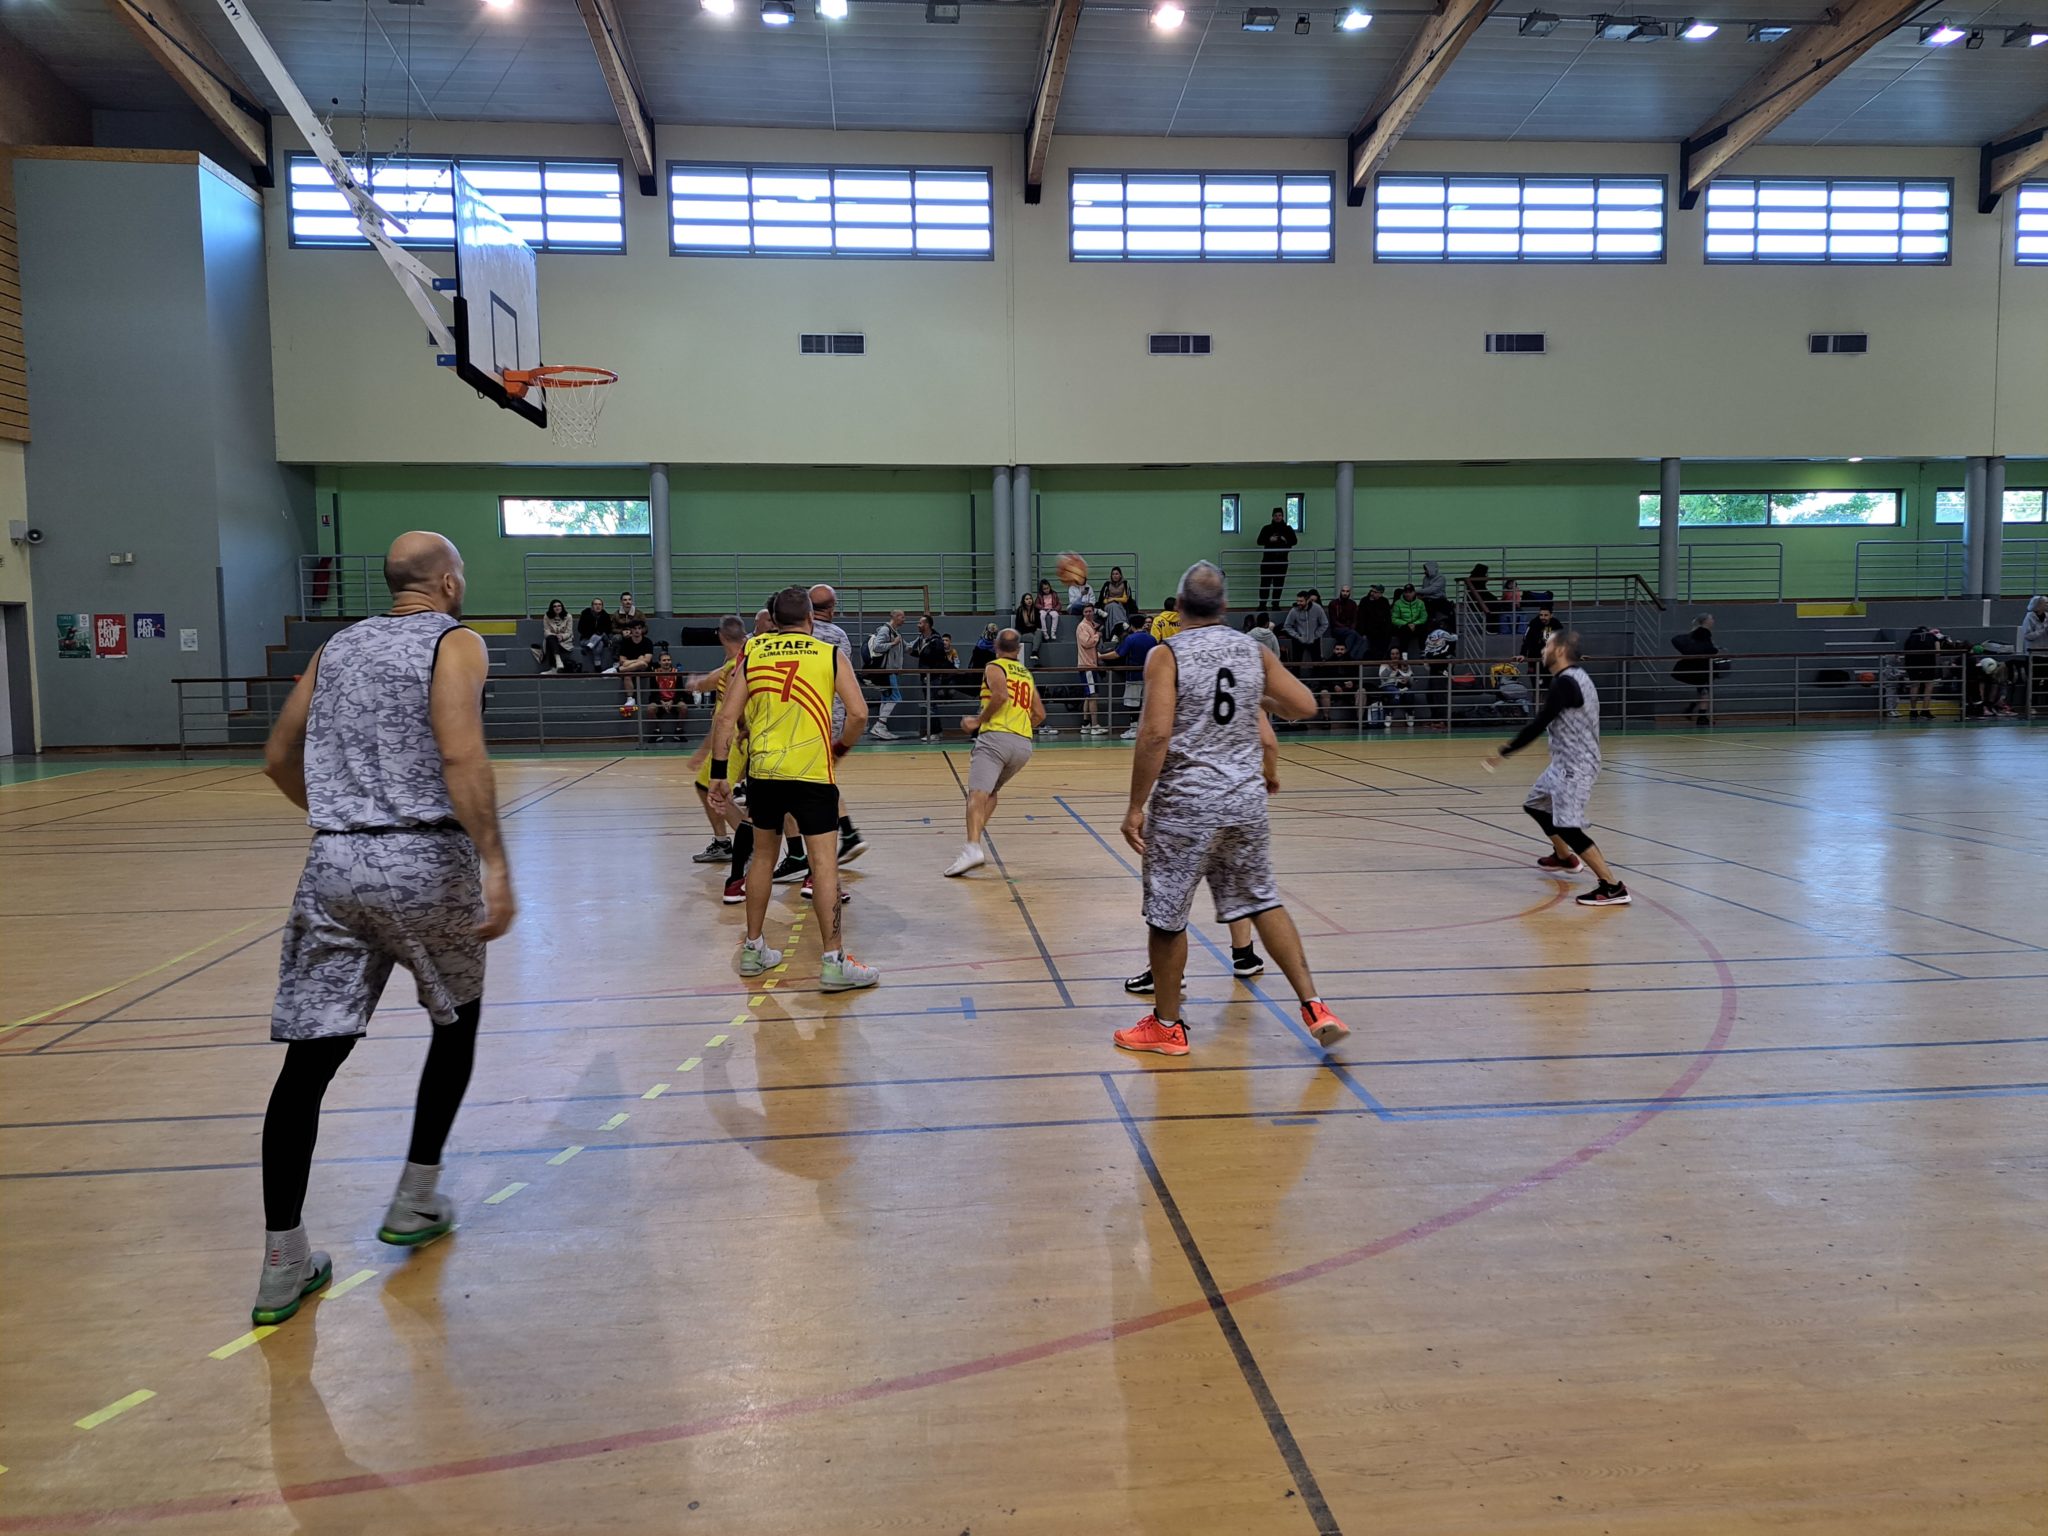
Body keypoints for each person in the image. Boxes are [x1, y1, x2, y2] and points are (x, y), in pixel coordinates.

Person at [251, 531, 515, 1325]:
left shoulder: (335, 647)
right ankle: (415, 1196)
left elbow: (276, 756)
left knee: (308, 1065)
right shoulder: (455, 641)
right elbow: (461, 755)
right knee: (457, 1025)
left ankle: (282, 1261)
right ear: (447, 583)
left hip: (334, 865)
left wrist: (343, 820)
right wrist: (496, 863)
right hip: (426, 860)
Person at [1114, 560, 1348, 1057]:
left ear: (1178, 607)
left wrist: (1135, 805)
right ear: (1224, 606)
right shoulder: (1253, 650)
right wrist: (1254, 698)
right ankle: (1315, 1006)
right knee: (1262, 899)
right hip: (1245, 801)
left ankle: (1167, 1026)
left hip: (1187, 805)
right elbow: (1305, 705)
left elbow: (1154, 734)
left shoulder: (1167, 654)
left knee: (1167, 916)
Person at [706, 586, 878, 992]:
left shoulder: (754, 654)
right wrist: (840, 749)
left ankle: (753, 949)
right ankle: (833, 962)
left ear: (774, 620)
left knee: (763, 859)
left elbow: (726, 718)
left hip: (764, 773)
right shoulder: (828, 654)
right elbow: (859, 713)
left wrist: (719, 774)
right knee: (824, 865)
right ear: (811, 619)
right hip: (813, 773)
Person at [1485, 631, 1629, 908]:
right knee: (1536, 805)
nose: (1543, 649)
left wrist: (1506, 750)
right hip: (1563, 763)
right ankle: (1564, 857)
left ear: (1560, 650)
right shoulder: (1575, 677)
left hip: (1576, 766)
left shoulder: (1565, 683)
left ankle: (1612, 886)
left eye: (1547, 645)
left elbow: (1539, 724)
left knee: (1569, 827)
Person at [771, 585, 870, 893]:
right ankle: (841, 837)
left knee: (797, 789)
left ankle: (810, 862)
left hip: (798, 718)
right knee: (819, 783)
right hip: (833, 715)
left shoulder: (777, 642)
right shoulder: (839, 637)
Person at [945, 629, 1045, 876]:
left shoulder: (994, 666)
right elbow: (1040, 714)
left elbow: (1000, 696)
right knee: (991, 792)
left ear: (995, 647)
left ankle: (972, 848)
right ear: (1019, 649)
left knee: (977, 794)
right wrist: (1019, 730)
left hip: (995, 739)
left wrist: (978, 721)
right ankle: (975, 842)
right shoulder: (1026, 674)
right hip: (1023, 745)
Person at [686, 616, 749, 867]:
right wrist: (698, 683)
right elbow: (710, 680)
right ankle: (723, 842)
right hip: (733, 737)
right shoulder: (736, 662)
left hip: (735, 739)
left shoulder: (736, 667)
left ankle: (751, 845)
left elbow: (724, 714)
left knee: (717, 792)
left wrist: (702, 752)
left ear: (721, 636)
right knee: (706, 787)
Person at [865, 609, 909, 740]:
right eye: (902, 617)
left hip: (891, 671)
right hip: (887, 670)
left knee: (886, 698)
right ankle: (879, 725)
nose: (904, 619)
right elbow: (877, 647)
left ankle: (881, 728)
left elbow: (907, 647)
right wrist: (893, 643)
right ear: (895, 617)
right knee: (895, 697)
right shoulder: (885, 630)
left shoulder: (896, 633)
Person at [1671, 614, 1719, 726]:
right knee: (1705, 692)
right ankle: (1701, 716)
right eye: (1711, 618)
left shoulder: (1697, 633)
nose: (1713, 620)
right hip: (1701, 667)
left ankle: (1691, 710)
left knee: (1703, 691)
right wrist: (1715, 650)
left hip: (1698, 667)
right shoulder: (1703, 633)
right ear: (1706, 621)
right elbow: (1707, 648)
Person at [1113, 620, 1157, 739]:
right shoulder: (1152, 639)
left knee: (1133, 704)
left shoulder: (1130, 639)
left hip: (1133, 676)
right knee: (1146, 703)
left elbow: (1118, 654)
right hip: (1148, 676)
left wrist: (1100, 656)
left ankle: (1134, 729)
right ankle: (1146, 729)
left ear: (1132, 626)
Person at [1256, 507, 1297, 613]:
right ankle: (1262, 605)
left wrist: (1285, 539)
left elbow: (1294, 541)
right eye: (1276, 515)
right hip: (1268, 560)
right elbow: (1259, 541)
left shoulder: (1288, 529)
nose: (1278, 517)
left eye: (1279, 515)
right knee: (1265, 583)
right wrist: (1269, 539)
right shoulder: (1267, 528)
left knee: (1278, 584)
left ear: (1282, 516)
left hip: (1281, 560)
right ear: (1272, 516)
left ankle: (1275, 605)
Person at [611, 617, 655, 715]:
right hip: (629, 668)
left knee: (642, 664)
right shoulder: (626, 642)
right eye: (634, 628)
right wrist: (637, 660)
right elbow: (622, 661)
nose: (637, 631)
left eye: (639, 628)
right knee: (627, 674)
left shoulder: (647, 642)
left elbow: (647, 660)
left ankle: (617, 670)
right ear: (631, 630)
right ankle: (630, 699)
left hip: (644, 668)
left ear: (642, 630)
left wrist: (628, 662)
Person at [1077, 605, 1107, 736]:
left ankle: (1086, 724)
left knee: (1088, 695)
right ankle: (1095, 725)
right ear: (1083, 613)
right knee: (1093, 695)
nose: (1088, 613)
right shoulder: (1082, 627)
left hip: (1091, 665)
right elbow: (1087, 643)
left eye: (1090, 611)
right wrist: (1097, 636)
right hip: (1087, 665)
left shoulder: (1091, 625)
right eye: (1086, 611)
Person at [1901, 624, 1941, 720]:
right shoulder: (1932, 636)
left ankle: (1913, 711)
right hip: (1928, 663)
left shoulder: (1910, 637)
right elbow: (1938, 652)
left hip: (1912, 664)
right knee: (1928, 685)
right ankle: (1925, 711)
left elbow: (1905, 652)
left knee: (1914, 685)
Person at [2017, 596, 2048, 713]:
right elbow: (2027, 635)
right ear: (2038, 605)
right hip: (2033, 654)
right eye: (2045, 603)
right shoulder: (2029, 617)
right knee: (2033, 681)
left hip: (2046, 653)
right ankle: (2030, 705)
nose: (2047, 605)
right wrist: (2042, 631)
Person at [1281, 590, 1327, 668]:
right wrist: (1296, 635)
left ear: (1308, 600)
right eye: (1297, 601)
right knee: (1296, 663)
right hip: (1298, 639)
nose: (1298, 603)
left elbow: (1324, 623)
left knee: (1317, 663)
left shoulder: (1317, 608)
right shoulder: (1294, 610)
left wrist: (1316, 635)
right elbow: (1287, 625)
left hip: (1314, 639)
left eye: (1301, 601)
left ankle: (1317, 676)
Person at [531, 599, 576, 674]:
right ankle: (558, 661)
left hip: (565, 642)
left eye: (559, 606)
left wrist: (562, 636)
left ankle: (553, 669)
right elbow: (546, 631)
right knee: (550, 639)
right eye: (554, 606)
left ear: (562, 607)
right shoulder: (547, 616)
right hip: (551, 640)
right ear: (552, 608)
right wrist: (555, 636)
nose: (557, 608)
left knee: (550, 642)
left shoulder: (568, 616)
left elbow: (569, 632)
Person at [649, 652, 684, 739]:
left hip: (673, 700)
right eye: (664, 660)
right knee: (650, 708)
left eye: (668, 660)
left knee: (683, 707)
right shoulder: (654, 673)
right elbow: (653, 692)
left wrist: (672, 701)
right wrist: (661, 702)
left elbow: (680, 691)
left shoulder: (676, 673)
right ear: (659, 662)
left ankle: (678, 731)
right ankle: (657, 732)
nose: (667, 662)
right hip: (659, 701)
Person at [576, 595, 614, 668]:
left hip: (604, 638)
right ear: (592, 606)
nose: (598, 606)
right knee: (599, 643)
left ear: (602, 606)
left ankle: (589, 647)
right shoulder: (585, 614)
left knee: (600, 634)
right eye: (595, 604)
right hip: (586, 640)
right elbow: (580, 629)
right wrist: (593, 635)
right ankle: (597, 664)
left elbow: (608, 630)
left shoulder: (605, 616)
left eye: (600, 604)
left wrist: (598, 633)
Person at [1378, 650, 1415, 723]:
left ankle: (1410, 713)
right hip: (1388, 685)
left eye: (1397, 654)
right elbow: (1383, 678)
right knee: (1396, 693)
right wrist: (1390, 668)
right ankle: (1388, 713)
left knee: (1409, 693)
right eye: (1392, 654)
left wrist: (1407, 679)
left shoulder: (1405, 664)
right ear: (1389, 655)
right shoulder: (1384, 664)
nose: (1395, 656)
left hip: (1402, 686)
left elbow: (1412, 681)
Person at [1390, 582, 1428, 654]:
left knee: (1424, 628)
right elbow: (1394, 619)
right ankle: (1404, 654)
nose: (1408, 594)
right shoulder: (1398, 603)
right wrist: (1407, 624)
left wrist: (1414, 624)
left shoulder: (1420, 603)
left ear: (1414, 593)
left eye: (1410, 592)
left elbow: (1424, 617)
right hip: (1404, 625)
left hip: (1416, 625)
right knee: (1404, 631)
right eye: (1406, 592)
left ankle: (1423, 652)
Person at [1358, 584, 1393, 660]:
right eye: (1372, 591)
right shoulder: (1365, 601)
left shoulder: (1384, 601)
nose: (1372, 593)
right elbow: (1361, 618)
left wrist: (1388, 630)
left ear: (1381, 594)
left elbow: (1388, 618)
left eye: (1375, 592)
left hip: (1382, 630)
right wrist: (1362, 632)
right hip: (1369, 630)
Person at [1417, 561, 1451, 629]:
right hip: (1427, 600)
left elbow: (1431, 590)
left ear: (1431, 569)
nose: (1425, 571)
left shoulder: (1441, 578)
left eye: (1426, 569)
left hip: (1438, 600)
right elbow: (1425, 590)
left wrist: (1415, 591)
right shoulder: (1425, 578)